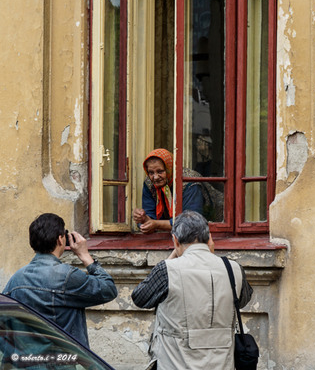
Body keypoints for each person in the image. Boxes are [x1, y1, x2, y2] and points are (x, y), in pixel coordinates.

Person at [131, 210, 253, 370]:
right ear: (209, 238)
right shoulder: (234, 269)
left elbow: (140, 298)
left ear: (175, 240)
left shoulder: (167, 270)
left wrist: (171, 258)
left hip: (175, 365)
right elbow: (242, 301)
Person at [3, 213, 117, 347]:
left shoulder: (16, 279)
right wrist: (84, 255)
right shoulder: (67, 276)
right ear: (60, 240)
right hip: (63, 356)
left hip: (27, 358)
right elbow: (109, 289)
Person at [133, 148, 203, 233]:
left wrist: (156, 224)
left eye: (160, 171)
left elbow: (192, 222)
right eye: (151, 173)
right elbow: (150, 215)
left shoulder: (189, 181)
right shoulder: (149, 183)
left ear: (169, 168)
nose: (155, 177)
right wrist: (143, 219)